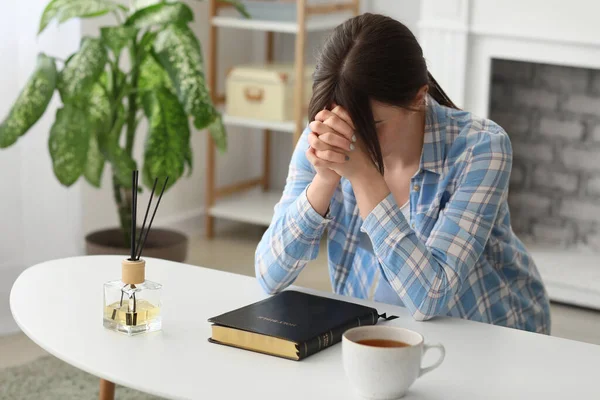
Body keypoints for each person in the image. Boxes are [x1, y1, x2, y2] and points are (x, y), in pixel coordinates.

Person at [254, 13, 550, 333]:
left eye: (373, 125)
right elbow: (269, 275)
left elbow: (432, 297)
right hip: (390, 331)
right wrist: (325, 179)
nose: (356, 139)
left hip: (492, 332)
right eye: (346, 122)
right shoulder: (330, 136)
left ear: (418, 98)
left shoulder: (481, 148)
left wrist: (365, 177)